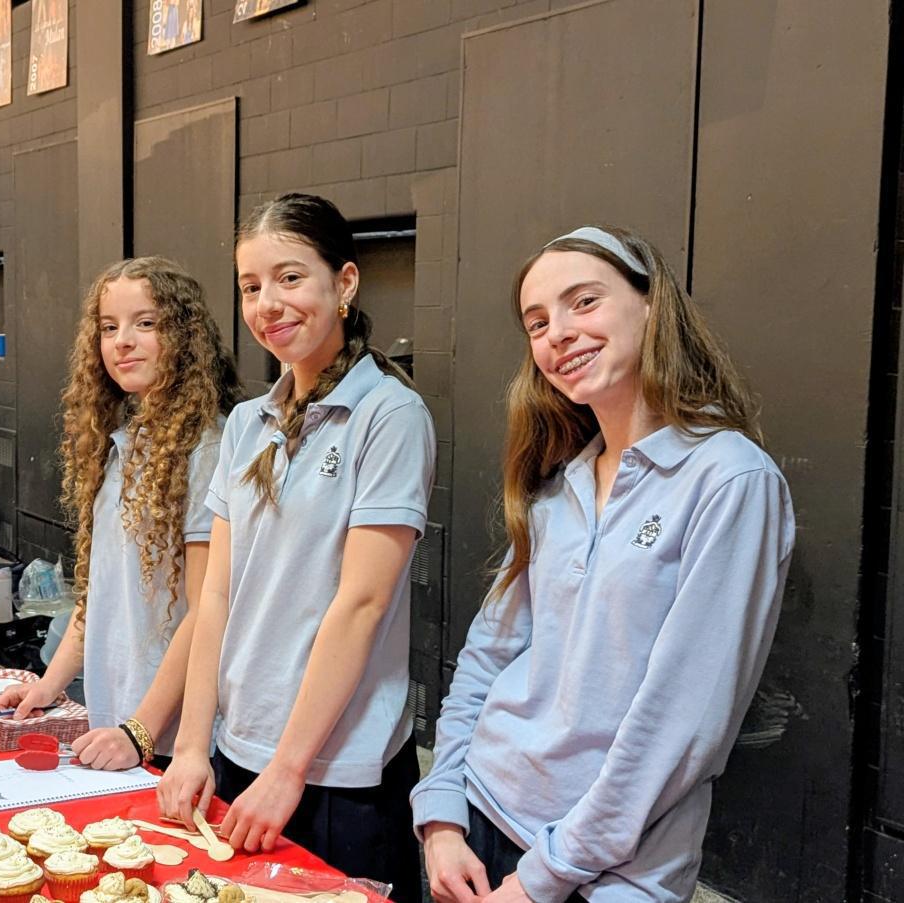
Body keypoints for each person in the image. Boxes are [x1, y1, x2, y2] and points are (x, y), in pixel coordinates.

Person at [411, 226, 795, 903]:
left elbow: (680, 729)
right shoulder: (562, 483)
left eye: (583, 301)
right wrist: (441, 811)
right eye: (537, 321)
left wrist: (540, 878)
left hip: (606, 874)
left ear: (652, 307)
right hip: (483, 821)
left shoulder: (731, 480)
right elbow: (486, 658)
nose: (558, 332)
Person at [158, 193, 435, 902]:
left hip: (336, 774)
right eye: (251, 286)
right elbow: (215, 594)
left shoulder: (390, 414)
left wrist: (289, 767)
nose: (268, 303)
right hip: (238, 750)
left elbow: (362, 603)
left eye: (289, 278)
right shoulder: (249, 422)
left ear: (344, 283)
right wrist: (193, 742)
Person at [0, 257, 241, 770]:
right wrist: (47, 686)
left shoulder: (207, 449)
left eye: (145, 324)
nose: (121, 341)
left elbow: (205, 612)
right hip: (118, 722)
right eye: (109, 328)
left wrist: (141, 730)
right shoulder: (124, 443)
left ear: (185, 336)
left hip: (172, 738)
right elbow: (99, 592)